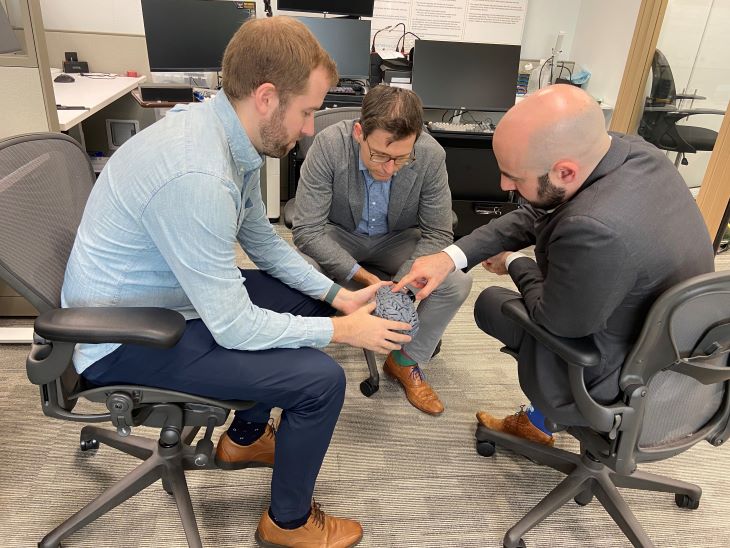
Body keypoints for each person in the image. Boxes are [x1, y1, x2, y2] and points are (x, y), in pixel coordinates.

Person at [61, 17, 414, 548]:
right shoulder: (198, 175)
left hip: (169, 300)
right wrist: (347, 334)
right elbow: (233, 326)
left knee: (305, 303)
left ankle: (245, 438)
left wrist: (340, 297)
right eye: (309, 111)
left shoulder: (231, 138)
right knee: (320, 381)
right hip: (122, 338)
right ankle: (287, 524)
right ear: (268, 97)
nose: (313, 128)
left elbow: (264, 242)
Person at [393, 84, 714, 443]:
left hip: (619, 379)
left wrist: (514, 261)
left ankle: (543, 420)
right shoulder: (634, 154)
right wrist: (449, 258)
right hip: (685, 363)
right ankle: (539, 422)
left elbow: (555, 320)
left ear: (564, 172)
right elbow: (536, 211)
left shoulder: (593, 229)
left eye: (514, 177)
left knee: (491, 304)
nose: (502, 185)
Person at [291, 85, 472, 415]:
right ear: (359, 132)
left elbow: (438, 233)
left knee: (455, 282)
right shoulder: (330, 145)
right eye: (380, 155)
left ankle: (405, 361)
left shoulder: (431, 155)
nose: (389, 169)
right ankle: (305, 358)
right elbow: (306, 230)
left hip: (396, 239)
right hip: (339, 234)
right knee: (297, 268)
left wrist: (398, 288)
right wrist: (363, 277)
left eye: (402, 158)